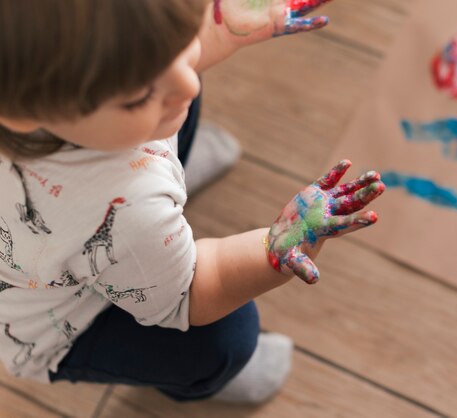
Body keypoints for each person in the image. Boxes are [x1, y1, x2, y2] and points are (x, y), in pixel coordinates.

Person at [0, 0, 385, 404]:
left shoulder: (52, 87)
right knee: (224, 339)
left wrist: (217, 33)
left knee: (176, 93)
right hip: (60, 326)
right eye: (139, 95)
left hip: (101, 220)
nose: (188, 84)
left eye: (177, 45)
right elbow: (196, 290)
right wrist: (277, 248)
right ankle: (199, 375)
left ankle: (167, 170)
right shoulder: (129, 209)